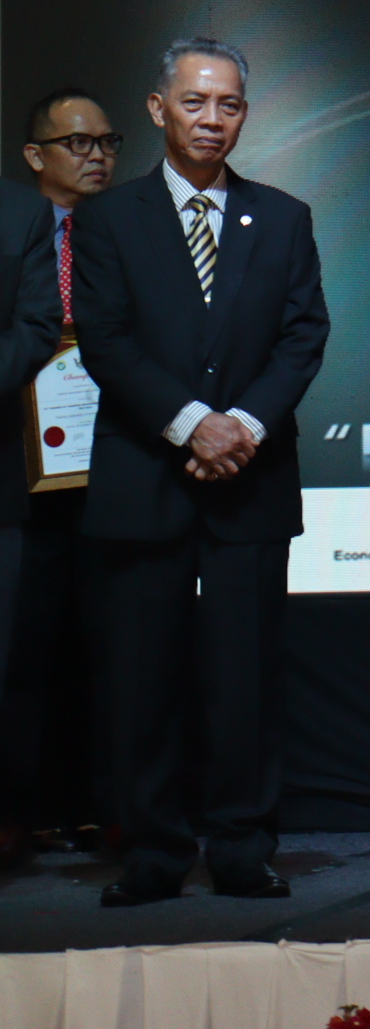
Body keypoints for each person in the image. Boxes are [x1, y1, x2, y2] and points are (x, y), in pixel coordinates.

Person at [73, 38, 329, 907]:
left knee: (245, 680)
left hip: (251, 480)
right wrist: (192, 424)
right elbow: (106, 341)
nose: (211, 119)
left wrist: (244, 427)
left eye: (228, 106)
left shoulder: (284, 216)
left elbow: (303, 336)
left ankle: (242, 848)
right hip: (145, 476)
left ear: (244, 116)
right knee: (142, 680)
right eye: (194, 102)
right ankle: (151, 852)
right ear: (158, 109)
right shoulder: (108, 220)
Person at [0, 89, 116, 866]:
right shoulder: (19, 226)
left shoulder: (131, 233)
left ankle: (96, 805)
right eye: (78, 143)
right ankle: (25, 807)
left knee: (105, 644)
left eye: (107, 141)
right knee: (22, 646)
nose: (98, 154)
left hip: (111, 466)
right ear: (36, 154)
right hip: (18, 468)